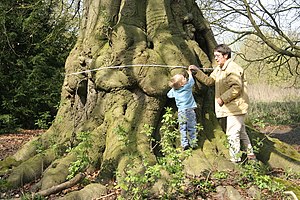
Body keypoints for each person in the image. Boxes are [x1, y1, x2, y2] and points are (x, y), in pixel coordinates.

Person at [189, 44, 256, 163]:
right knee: (240, 132)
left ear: (225, 55)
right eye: (215, 56)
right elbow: (209, 81)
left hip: (236, 106)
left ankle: (235, 160)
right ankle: (251, 155)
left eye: (218, 56)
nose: (215, 58)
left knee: (232, 133)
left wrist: (222, 99)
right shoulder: (220, 68)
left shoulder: (232, 68)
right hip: (230, 107)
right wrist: (197, 72)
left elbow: (236, 87)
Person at [167, 68, 198, 150]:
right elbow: (192, 82)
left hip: (181, 111)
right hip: (190, 110)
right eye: (184, 79)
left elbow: (168, 95)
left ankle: (184, 144)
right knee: (192, 126)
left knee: (182, 127)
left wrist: (174, 88)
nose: (186, 78)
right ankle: (193, 142)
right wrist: (190, 74)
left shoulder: (174, 91)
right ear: (182, 84)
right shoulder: (187, 87)